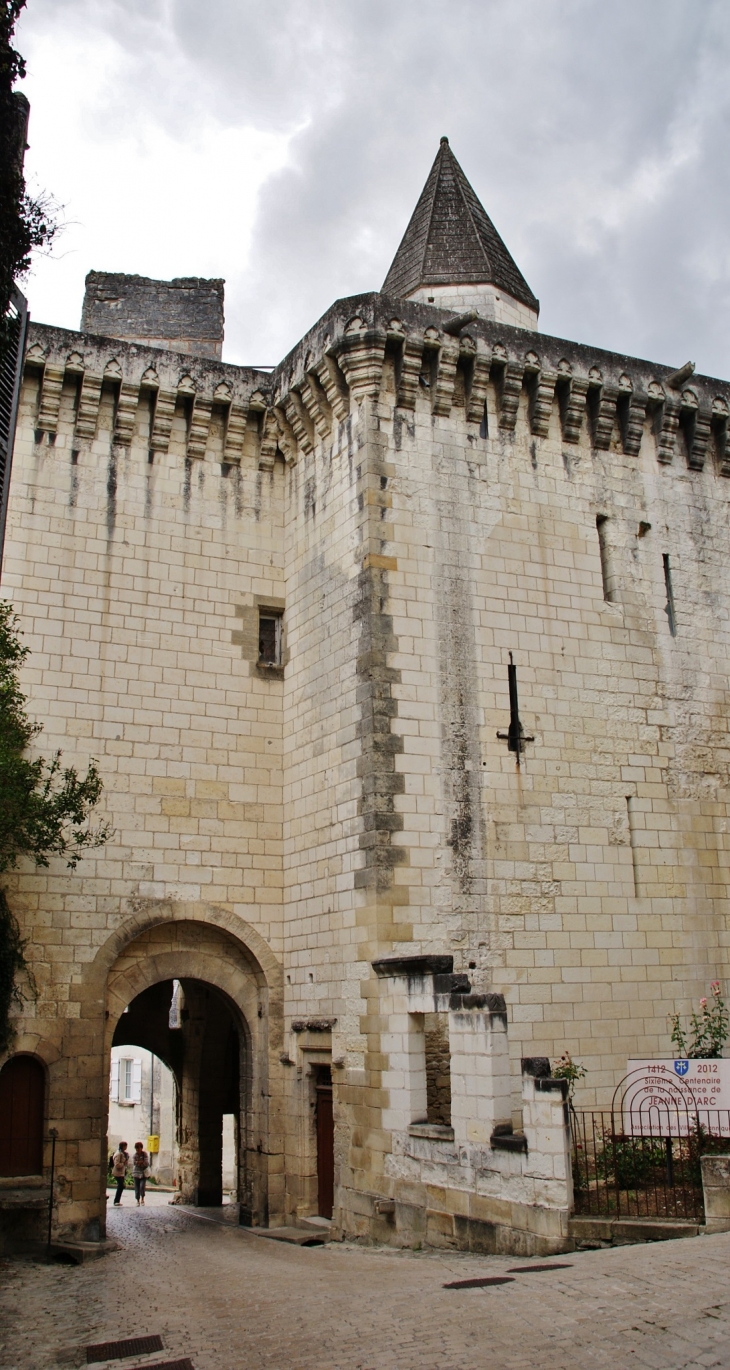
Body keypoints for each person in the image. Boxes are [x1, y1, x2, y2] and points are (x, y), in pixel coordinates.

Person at [132, 1140, 150, 1206]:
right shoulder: (134, 1155)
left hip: (143, 1173)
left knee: (142, 1186)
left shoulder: (144, 1154)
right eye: (136, 1148)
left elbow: (146, 1163)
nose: (137, 1150)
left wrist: (140, 1163)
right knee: (136, 1187)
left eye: (138, 1148)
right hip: (136, 1173)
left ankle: (142, 1199)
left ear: (141, 1148)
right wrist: (140, 1162)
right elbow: (134, 1163)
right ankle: (137, 1200)